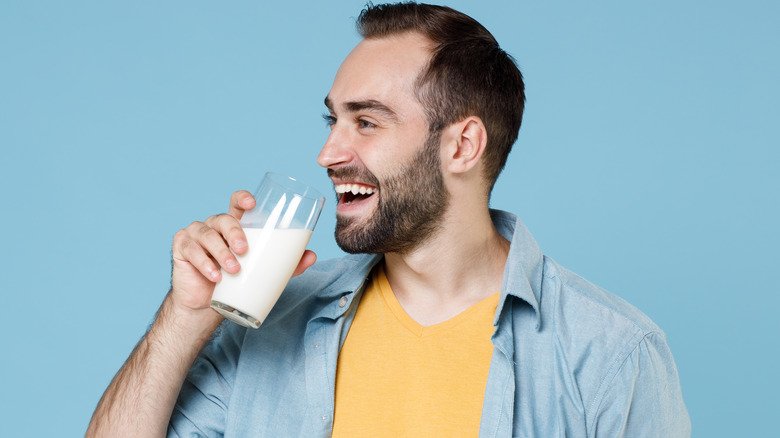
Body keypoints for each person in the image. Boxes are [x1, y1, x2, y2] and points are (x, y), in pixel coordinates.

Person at [87, 3, 690, 437]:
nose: (329, 154)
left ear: (462, 145)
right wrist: (185, 315)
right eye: (333, 121)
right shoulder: (267, 320)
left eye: (367, 122)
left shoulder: (611, 353)